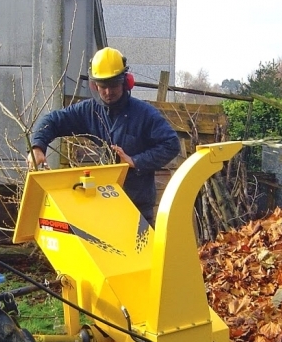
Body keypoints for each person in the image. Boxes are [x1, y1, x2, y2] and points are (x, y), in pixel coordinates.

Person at [27, 47, 180, 225]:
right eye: (103, 87)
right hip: (103, 206)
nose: (108, 92)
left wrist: (135, 161)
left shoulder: (145, 114)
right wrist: (37, 147)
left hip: (137, 208)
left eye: (113, 85)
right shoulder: (89, 111)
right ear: (95, 85)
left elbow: (171, 144)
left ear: (126, 82)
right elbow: (52, 120)